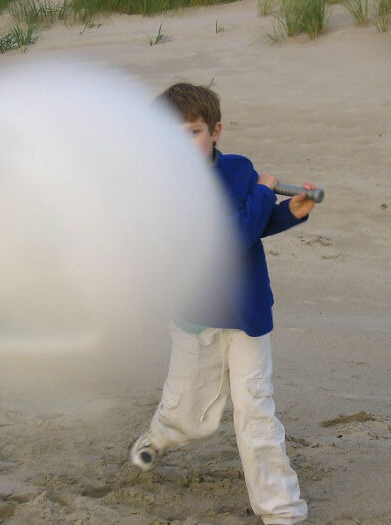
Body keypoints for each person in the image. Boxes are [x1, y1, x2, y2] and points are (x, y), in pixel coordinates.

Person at [130, 82, 317, 525]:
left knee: (256, 411)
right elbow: (228, 239)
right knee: (189, 407)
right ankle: (159, 437)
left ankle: (282, 511)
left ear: (215, 131)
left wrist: (289, 212)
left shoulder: (239, 170)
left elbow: (253, 223)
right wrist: (265, 192)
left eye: (192, 132)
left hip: (246, 313)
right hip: (195, 316)